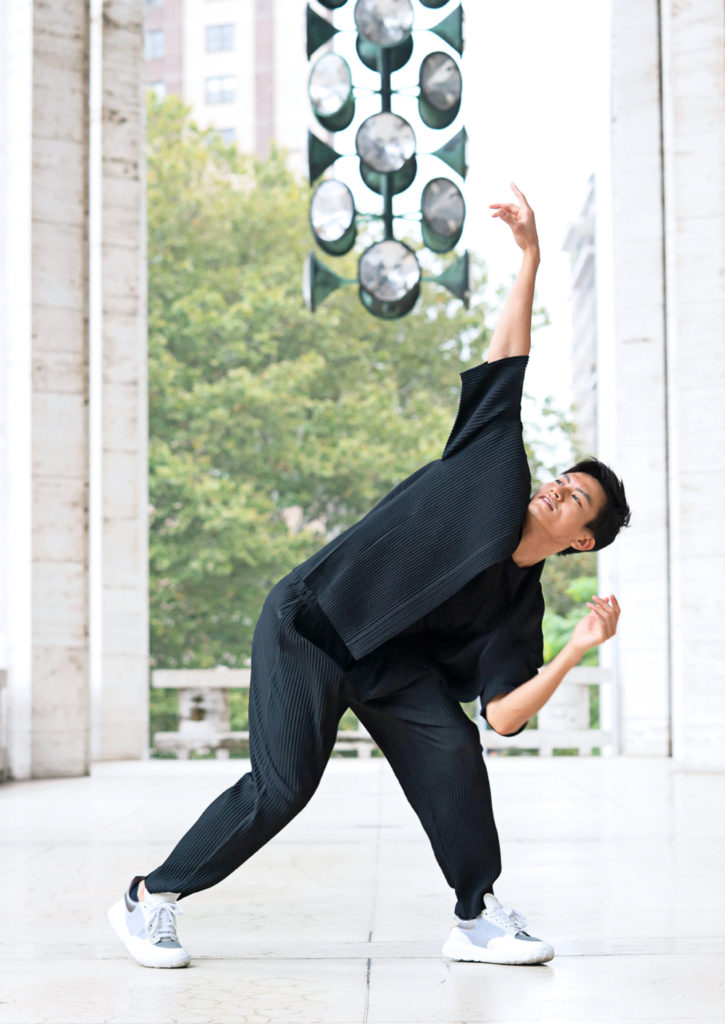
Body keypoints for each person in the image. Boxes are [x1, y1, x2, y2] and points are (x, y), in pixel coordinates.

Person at [108, 184, 630, 969]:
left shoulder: (517, 611)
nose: (555, 486)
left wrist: (577, 648)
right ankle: (150, 898)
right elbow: (508, 362)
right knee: (282, 790)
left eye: (575, 498)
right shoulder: (490, 470)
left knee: (454, 745)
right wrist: (528, 257)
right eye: (561, 476)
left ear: (581, 542)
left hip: (385, 665)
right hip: (310, 627)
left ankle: (476, 915)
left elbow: (505, 717)